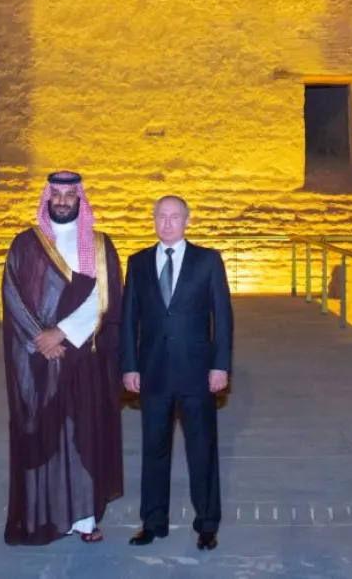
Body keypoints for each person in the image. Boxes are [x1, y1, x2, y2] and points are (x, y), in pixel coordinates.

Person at [1, 170, 124, 545]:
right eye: (56, 194)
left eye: (70, 195)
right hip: (37, 359)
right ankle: (44, 516)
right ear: (47, 198)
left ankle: (85, 519)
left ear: (80, 200)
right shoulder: (25, 245)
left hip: (83, 355)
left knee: (82, 433)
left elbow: (105, 297)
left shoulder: (101, 246)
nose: (63, 201)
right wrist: (43, 340)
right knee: (43, 436)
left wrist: (63, 334)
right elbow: (13, 296)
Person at [120, 195, 233, 551]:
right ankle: (153, 523)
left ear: (187, 220)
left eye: (174, 217)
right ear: (153, 220)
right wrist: (129, 365)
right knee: (154, 450)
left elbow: (223, 317)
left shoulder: (208, 261)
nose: (167, 223)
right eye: (161, 217)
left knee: (202, 450)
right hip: (152, 372)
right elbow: (128, 320)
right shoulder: (137, 263)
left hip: (198, 372)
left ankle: (207, 524)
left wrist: (220, 365)